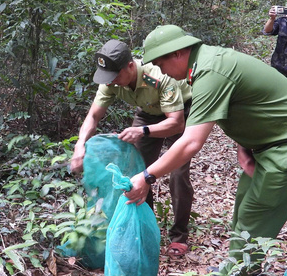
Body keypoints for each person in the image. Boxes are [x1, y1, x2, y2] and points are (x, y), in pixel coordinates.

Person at [126, 25, 287, 276]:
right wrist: (245, 144)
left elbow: (190, 143)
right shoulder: (206, 64)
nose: (159, 70)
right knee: (243, 207)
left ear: (179, 53)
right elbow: (247, 104)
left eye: (161, 62)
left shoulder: (210, 72)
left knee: (256, 213)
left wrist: (147, 176)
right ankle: (246, 269)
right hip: (270, 144)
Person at [70, 39, 195, 257]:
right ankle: (144, 230)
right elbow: (93, 115)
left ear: (130, 66)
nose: (112, 83)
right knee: (136, 172)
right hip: (148, 113)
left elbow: (176, 123)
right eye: (108, 78)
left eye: (116, 76)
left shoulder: (159, 76)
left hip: (179, 113)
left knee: (178, 174)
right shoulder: (110, 80)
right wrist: (80, 146)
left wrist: (142, 131)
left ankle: (179, 236)